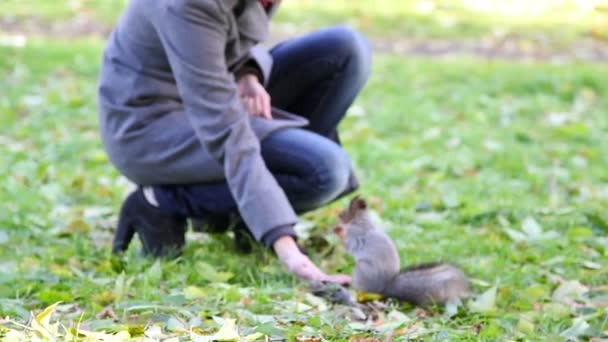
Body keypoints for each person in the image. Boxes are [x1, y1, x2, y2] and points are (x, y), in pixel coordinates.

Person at [97, 0, 371, 284]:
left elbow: (229, 33)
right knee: (324, 170)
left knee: (344, 50)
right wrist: (288, 249)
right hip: (151, 130)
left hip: (213, 88)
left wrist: (248, 72)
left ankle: (249, 221)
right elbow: (227, 133)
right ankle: (163, 200)